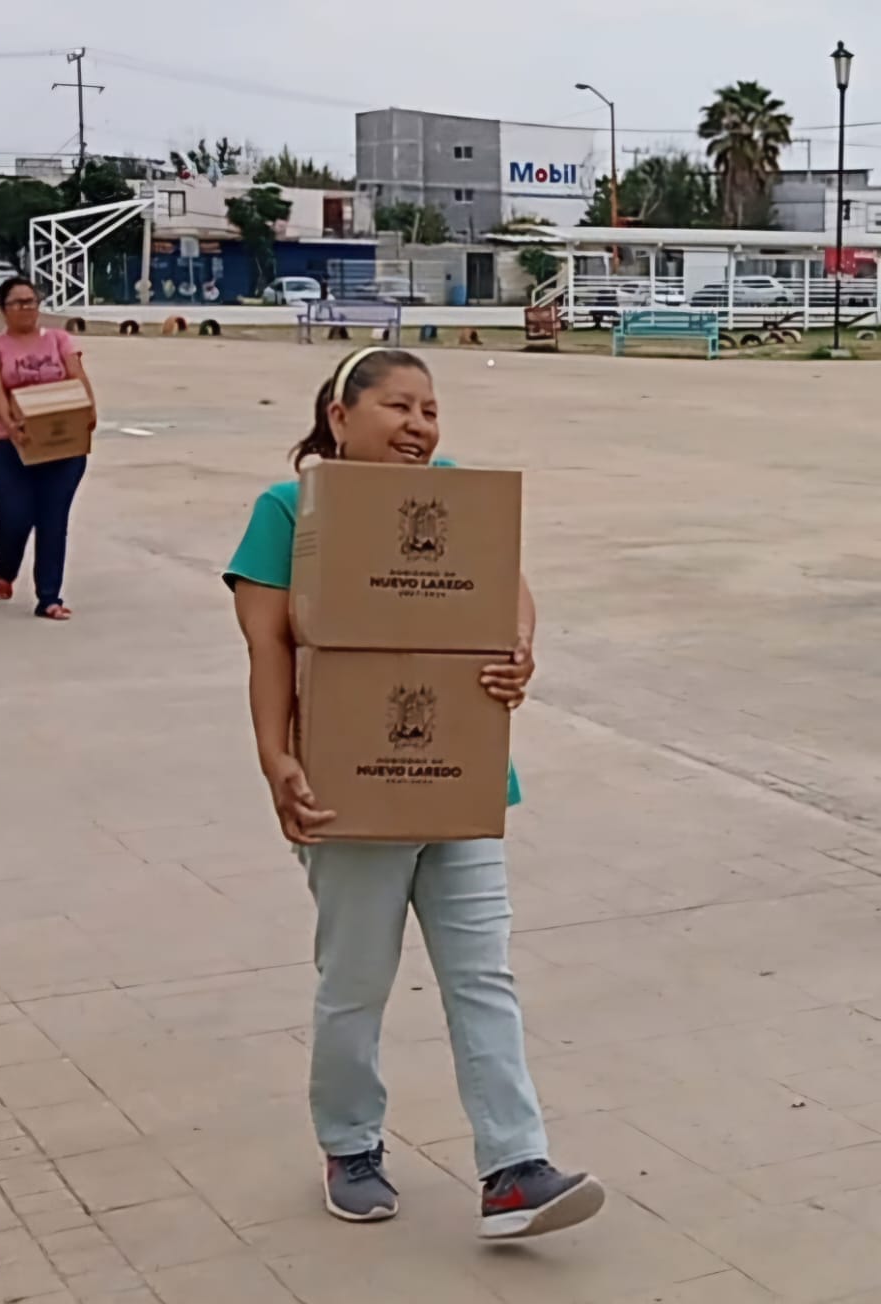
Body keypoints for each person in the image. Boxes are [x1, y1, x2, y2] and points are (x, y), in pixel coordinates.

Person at [224, 347, 604, 1241]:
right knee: (356, 981)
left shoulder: (456, 495)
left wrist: (517, 647)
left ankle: (514, 1167)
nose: (421, 426)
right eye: (399, 406)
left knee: (484, 975)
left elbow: (511, 591)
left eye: (431, 410)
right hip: (349, 789)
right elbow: (269, 646)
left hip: (463, 778)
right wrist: (277, 761)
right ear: (340, 414)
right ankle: (350, 1144)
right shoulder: (288, 510)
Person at [0, 276, 95, 621]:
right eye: (18, 303)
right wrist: (10, 425)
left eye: (31, 301)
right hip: (10, 446)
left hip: (62, 446)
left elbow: (77, 377)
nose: (26, 308)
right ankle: (5, 568)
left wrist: (88, 410)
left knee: (53, 519)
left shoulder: (59, 340)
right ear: (3, 309)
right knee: (15, 516)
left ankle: (49, 597)